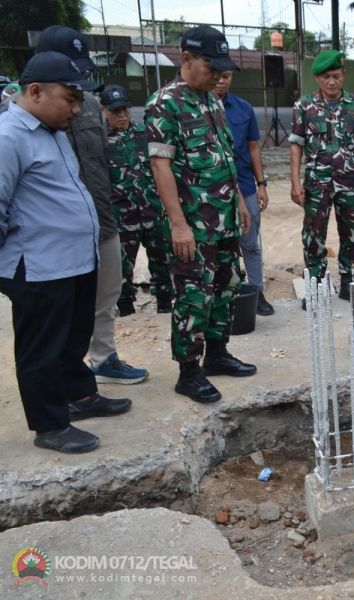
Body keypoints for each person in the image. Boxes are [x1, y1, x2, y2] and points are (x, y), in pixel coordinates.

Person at [0, 52, 132, 453]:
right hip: (39, 266)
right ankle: (50, 424)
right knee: (42, 347)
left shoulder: (54, 132)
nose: (77, 109)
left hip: (75, 260)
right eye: (70, 99)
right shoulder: (9, 137)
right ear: (36, 91)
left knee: (75, 337)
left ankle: (79, 396)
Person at [34, 25, 150, 384]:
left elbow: (101, 162)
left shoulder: (89, 108)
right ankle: (63, 377)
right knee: (64, 306)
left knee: (107, 293)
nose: (79, 77)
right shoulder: (29, 115)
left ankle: (103, 357)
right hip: (58, 229)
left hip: (102, 216)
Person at [146, 25, 256, 404]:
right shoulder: (165, 104)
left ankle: (217, 354)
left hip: (224, 218)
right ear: (186, 59)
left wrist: (240, 200)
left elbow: (228, 156)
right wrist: (178, 225)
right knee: (194, 296)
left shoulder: (211, 100)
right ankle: (189, 372)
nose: (218, 75)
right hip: (193, 225)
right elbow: (162, 168)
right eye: (212, 67)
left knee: (225, 287)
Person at [289, 50, 354, 304]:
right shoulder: (303, 106)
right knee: (314, 235)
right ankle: (315, 288)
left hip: (349, 182)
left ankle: (348, 282)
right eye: (326, 77)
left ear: (343, 75)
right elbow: (296, 145)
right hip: (317, 183)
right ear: (317, 78)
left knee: (352, 232)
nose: (332, 82)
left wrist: (344, 157)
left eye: (336, 76)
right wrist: (295, 182)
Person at [99, 84, 173, 316]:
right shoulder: (100, 141)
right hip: (122, 216)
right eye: (115, 111)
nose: (122, 115)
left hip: (152, 211)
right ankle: (126, 307)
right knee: (122, 267)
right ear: (103, 111)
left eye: (125, 110)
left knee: (162, 260)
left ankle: (165, 303)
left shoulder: (144, 134)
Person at [214, 70, 274, 316]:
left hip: (246, 185)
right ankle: (226, 296)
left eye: (226, 75)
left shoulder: (243, 108)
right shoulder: (198, 108)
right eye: (217, 75)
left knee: (250, 244)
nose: (221, 79)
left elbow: (252, 147)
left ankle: (257, 293)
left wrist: (261, 184)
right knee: (221, 247)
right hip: (213, 190)